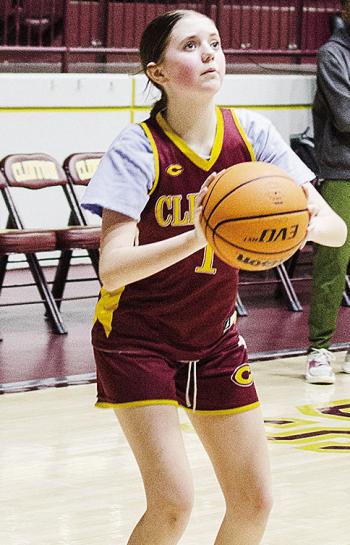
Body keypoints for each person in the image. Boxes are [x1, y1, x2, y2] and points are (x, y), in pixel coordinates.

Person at [81, 9, 347, 545]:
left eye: (216, 43)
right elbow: (112, 270)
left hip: (215, 337)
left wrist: (291, 228)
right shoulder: (138, 148)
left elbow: (335, 228)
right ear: (156, 72)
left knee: (255, 500)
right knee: (174, 503)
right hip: (136, 340)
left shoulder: (251, 133)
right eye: (191, 45)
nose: (209, 54)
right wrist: (201, 233)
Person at [306, 0, 350, 385]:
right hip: (342, 172)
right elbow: (346, 116)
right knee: (333, 262)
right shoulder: (332, 55)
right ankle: (319, 349)